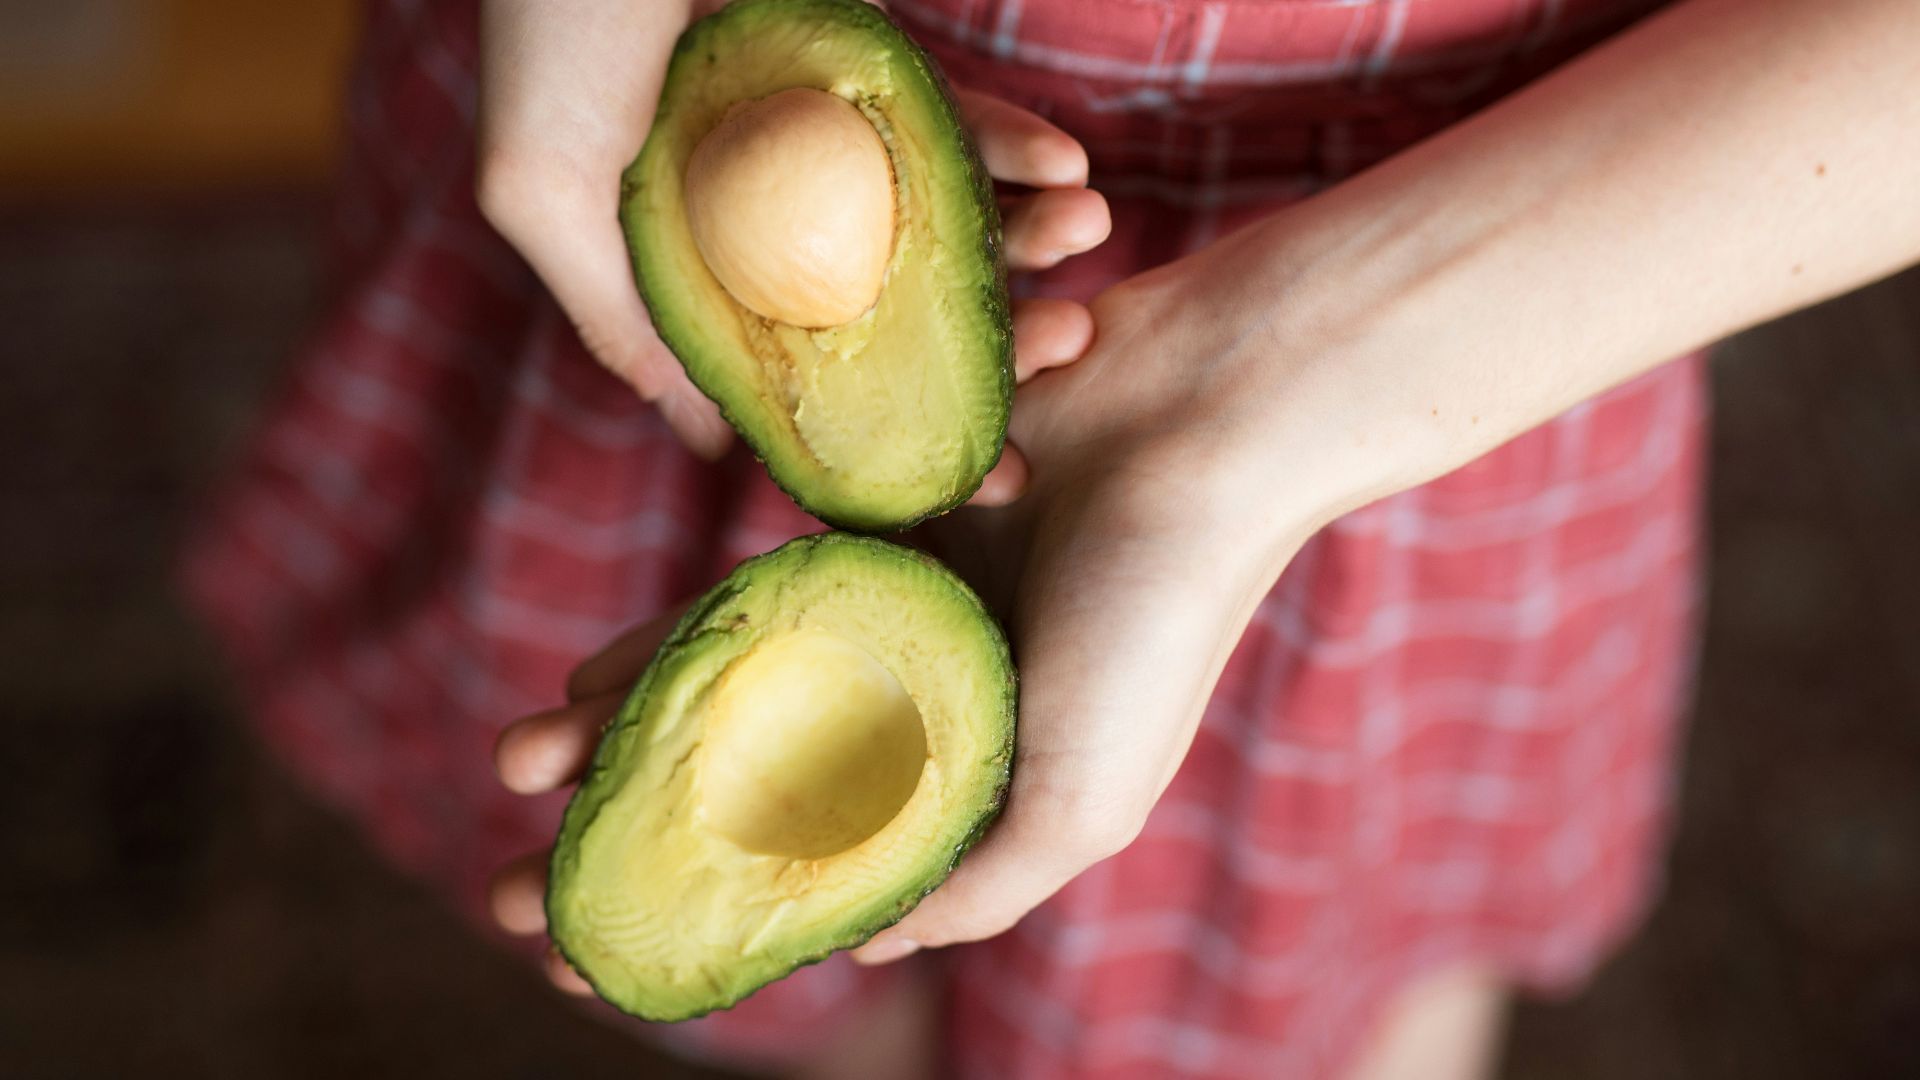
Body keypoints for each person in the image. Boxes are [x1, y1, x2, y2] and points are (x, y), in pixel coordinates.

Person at [185, 0, 1920, 1076]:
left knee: (1341, 1009)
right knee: (832, 1026)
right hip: (677, 104)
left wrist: (1273, 392)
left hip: (1506, 267)